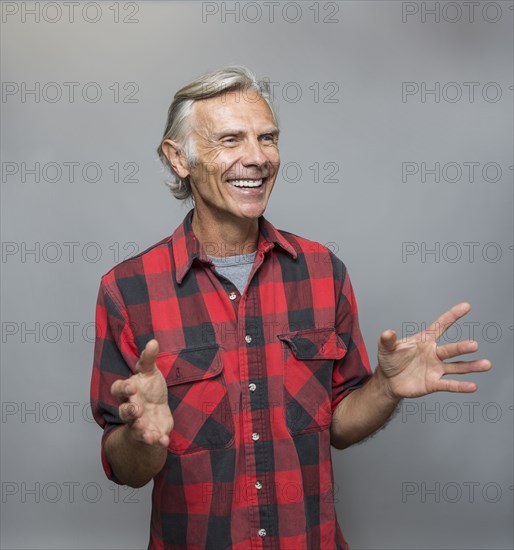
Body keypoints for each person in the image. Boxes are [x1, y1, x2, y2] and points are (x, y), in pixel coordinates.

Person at [90, 66, 491, 550]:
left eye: (267, 138)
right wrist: (141, 437)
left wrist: (386, 389)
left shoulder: (324, 272)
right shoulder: (127, 290)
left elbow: (340, 424)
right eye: (231, 140)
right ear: (179, 159)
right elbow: (124, 467)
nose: (257, 158)